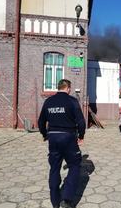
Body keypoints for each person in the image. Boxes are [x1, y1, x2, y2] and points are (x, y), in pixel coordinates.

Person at [38, 79, 86, 208]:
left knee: (54, 167)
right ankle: (67, 199)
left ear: (58, 87)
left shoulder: (48, 101)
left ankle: (55, 201)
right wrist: (81, 136)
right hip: (69, 138)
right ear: (68, 88)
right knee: (75, 165)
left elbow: (41, 121)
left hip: (53, 138)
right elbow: (81, 122)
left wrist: (44, 134)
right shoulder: (72, 101)